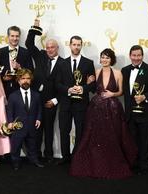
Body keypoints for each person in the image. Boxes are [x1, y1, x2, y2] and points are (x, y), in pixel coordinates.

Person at [70, 48, 137, 179]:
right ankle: (95, 163)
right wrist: (88, 83)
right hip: (95, 109)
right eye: (102, 57)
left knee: (113, 136)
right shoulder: (96, 72)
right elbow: (91, 90)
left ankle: (112, 162)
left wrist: (113, 94)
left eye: (107, 57)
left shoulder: (118, 73)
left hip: (113, 109)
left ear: (112, 59)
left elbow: (121, 92)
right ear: (100, 59)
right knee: (95, 137)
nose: (104, 60)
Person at [25, 19, 65, 162]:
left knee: (48, 130)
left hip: (50, 102)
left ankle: (48, 155)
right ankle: (35, 155)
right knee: (36, 129)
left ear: (57, 48)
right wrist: (35, 28)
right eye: (47, 47)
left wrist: (55, 101)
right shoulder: (40, 55)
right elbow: (29, 44)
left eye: (52, 47)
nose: (49, 50)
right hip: (35, 100)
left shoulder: (63, 63)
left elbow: (65, 86)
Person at [55, 35, 96, 164]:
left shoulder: (88, 63)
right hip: (66, 103)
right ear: (70, 45)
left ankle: (77, 157)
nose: (76, 47)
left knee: (80, 131)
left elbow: (93, 84)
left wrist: (83, 88)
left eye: (79, 45)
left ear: (81, 46)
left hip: (81, 104)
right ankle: (65, 157)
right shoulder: (62, 63)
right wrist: (68, 89)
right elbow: (57, 84)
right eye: (74, 44)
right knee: (64, 131)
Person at [121, 45, 148, 174]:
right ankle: (133, 163)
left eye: (139, 55)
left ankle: (144, 166)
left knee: (145, 140)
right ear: (130, 56)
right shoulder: (125, 70)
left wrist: (145, 97)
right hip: (130, 113)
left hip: (146, 113)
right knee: (132, 140)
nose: (136, 58)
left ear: (142, 56)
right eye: (134, 55)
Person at [7, 68, 43, 170]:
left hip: (32, 125)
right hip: (18, 126)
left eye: (28, 78)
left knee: (32, 145)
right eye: (23, 78)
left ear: (31, 80)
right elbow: (9, 111)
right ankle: (15, 162)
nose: (25, 81)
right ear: (18, 80)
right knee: (16, 146)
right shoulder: (13, 96)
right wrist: (10, 122)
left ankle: (35, 160)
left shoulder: (36, 95)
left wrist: (39, 119)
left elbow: (39, 108)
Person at [0, 26, 34, 96]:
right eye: (12, 36)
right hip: (3, 90)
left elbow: (31, 71)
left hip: (21, 90)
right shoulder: (0, 52)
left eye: (17, 36)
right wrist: (3, 78)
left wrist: (20, 68)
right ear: (8, 37)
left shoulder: (26, 52)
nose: (15, 38)